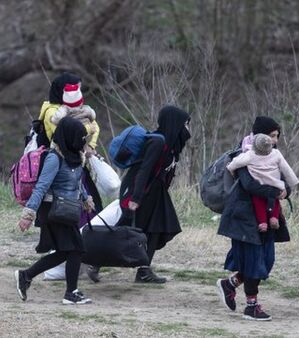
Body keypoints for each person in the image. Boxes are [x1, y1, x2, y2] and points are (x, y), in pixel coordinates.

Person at [216, 116, 291, 321]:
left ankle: (230, 284)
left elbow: (284, 180)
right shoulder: (245, 155)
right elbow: (249, 185)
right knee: (254, 261)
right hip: (245, 217)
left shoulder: (273, 155)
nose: (275, 140)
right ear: (260, 136)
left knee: (267, 260)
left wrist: (286, 189)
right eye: (272, 135)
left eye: (277, 136)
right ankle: (251, 306)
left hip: (268, 214)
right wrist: (276, 190)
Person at [14, 117, 95, 304]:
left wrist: (85, 199)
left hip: (67, 209)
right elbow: (41, 187)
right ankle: (71, 293)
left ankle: (25, 276)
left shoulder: (75, 156)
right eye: (79, 138)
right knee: (76, 249)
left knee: (64, 251)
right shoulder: (54, 158)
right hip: (53, 210)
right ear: (68, 137)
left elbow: (76, 182)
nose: (82, 142)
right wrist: (28, 215)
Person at [38, 73, 104, 282]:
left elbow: (93, 127)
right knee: (70, 223)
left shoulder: (76, 109)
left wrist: (90, 145)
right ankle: (64, 274)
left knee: (87, 213)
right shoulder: (52, 112)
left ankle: (78, 265)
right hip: (64, 169)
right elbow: (65, 133)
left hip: (77, 165)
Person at [117, 105, 191, 283]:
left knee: (157, 228)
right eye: (186, 124)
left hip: (156, 192)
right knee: (129, 231)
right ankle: (95, 262)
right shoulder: (157, 142)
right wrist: (135, 198)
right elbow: (143, 171)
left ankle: (143, 270)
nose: (188, 129)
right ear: (175, 124)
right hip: (142, 191)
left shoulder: (171, 145)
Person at [227, 133, 299, 231]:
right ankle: (274, 217)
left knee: (258, 202)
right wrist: (291, 182)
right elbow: (286, 169)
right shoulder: (276, 153)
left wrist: (230, 168)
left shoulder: (250, 155)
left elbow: (236, 162)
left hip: (260, 185)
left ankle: (263, 222)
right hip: (275, 184)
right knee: (275, 200)